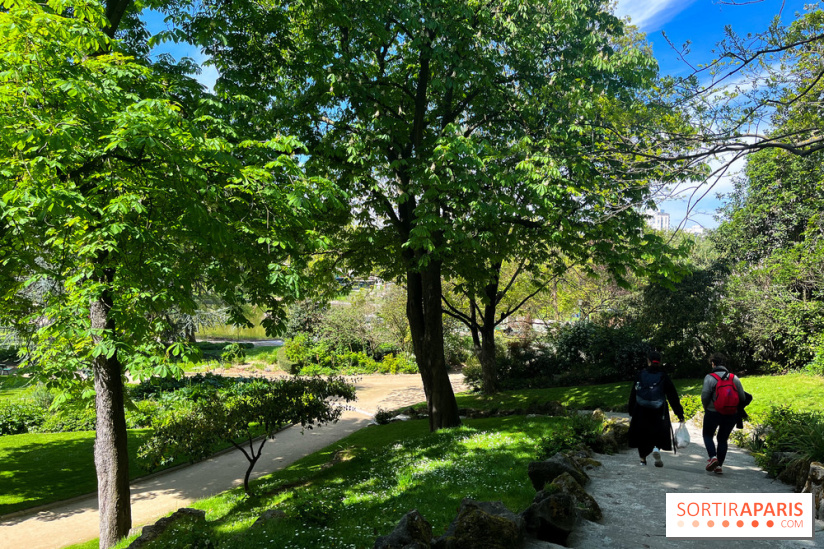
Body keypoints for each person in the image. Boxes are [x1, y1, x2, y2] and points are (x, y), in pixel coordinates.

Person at [628, 351, 685, 467]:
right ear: (660, 362)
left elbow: (634, 392)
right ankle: (656, 448)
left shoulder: (640, 374)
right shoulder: (663, 376)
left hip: (641, 408)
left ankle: (643, 459)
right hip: (659, 409)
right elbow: (672, 396)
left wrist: (631, 409)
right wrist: (679, 414)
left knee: (642, 433)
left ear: (648, 361)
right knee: (657, 431)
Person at [701, 352, 747, 475]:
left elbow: (705, 396)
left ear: (713, 363)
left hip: (713, 412)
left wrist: (706, 407)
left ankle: (713, 457)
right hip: (731, 413)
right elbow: (742, 397)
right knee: (722, 439)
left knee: (707, 435)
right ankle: (719, 466)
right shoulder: (734, 378)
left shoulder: (710, 377)